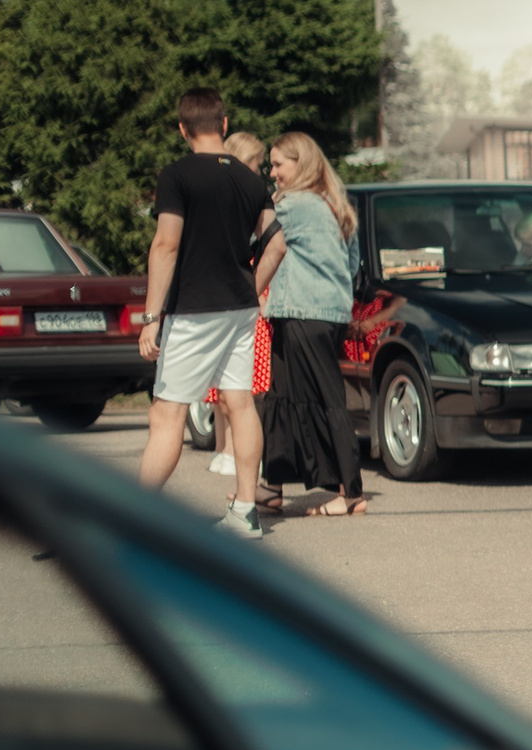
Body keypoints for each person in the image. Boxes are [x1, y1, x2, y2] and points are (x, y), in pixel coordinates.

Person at [136, 89, 273, 537]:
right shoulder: (252, 180)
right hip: (239, 308)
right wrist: (250, 288)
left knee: (167, 415)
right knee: (240, 402)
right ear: (225, 124)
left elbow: (166, 244)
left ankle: (134, 522)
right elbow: (277, 242)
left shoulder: (176, 175)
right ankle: (246, 511)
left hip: (194, 309)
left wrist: (151, 317)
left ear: (182, 129)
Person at [254, 132, 368, 517]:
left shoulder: (294, 204)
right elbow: (352, 265)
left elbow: (255, 234)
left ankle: (351, 492)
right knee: (282, 398)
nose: (273, 174)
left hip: (303, 310)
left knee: (326, 399)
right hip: (327, 311)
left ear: (299, 164)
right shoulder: (335, 204)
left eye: (278, 165)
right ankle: (272, 485)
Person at [206, 129, 270, 478]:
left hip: (219, 292)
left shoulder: (214, 194)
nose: (260, 172)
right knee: (242, 388)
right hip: (247, 290)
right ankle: (233, 452)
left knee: (225, 386)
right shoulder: (249, 196)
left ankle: (224, 449)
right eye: (257, 164)